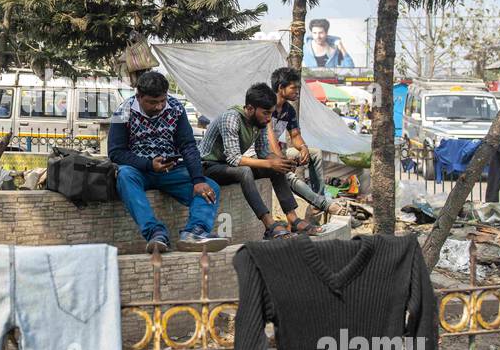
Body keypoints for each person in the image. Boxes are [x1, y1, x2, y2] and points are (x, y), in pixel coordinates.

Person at [107, 70, 228, 253]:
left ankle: (195, 233)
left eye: (162, 101)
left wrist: (198, 180)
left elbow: (187, 145)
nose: (159, 106)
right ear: (139, 96)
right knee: (124, 176)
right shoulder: (122, 112)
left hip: (171, 171)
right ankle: (155, 233)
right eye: (152, 102)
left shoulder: (175, 108)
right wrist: (148, 164)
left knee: (210, 187)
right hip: (139, 171)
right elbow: (115, 152)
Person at [199, 83, 309, 239]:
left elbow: (263, 152)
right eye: (265, 113)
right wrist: (270, 163)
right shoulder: (231, 118)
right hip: (209, 167)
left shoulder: (261, 122)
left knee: (276, 168)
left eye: (270, 113)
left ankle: (293, 219)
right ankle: (270, 225)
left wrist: (280, 162)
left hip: (228, 166)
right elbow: (233, 158)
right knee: (245, 171)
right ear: (250, 109)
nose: (268, 118)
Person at [267, 67, 346, 224]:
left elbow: (295, 135)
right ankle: (324, 204)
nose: (297, 91)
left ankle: (319, 198)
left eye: (298, 88)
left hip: (277, 151)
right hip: (263, 153)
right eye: (293, 88)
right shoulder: (267, 105)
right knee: (287, 174)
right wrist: (283, 160)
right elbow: (270, 141)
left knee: (314, 152)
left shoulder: (289, 110)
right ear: (281, 88)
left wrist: (303, 148)